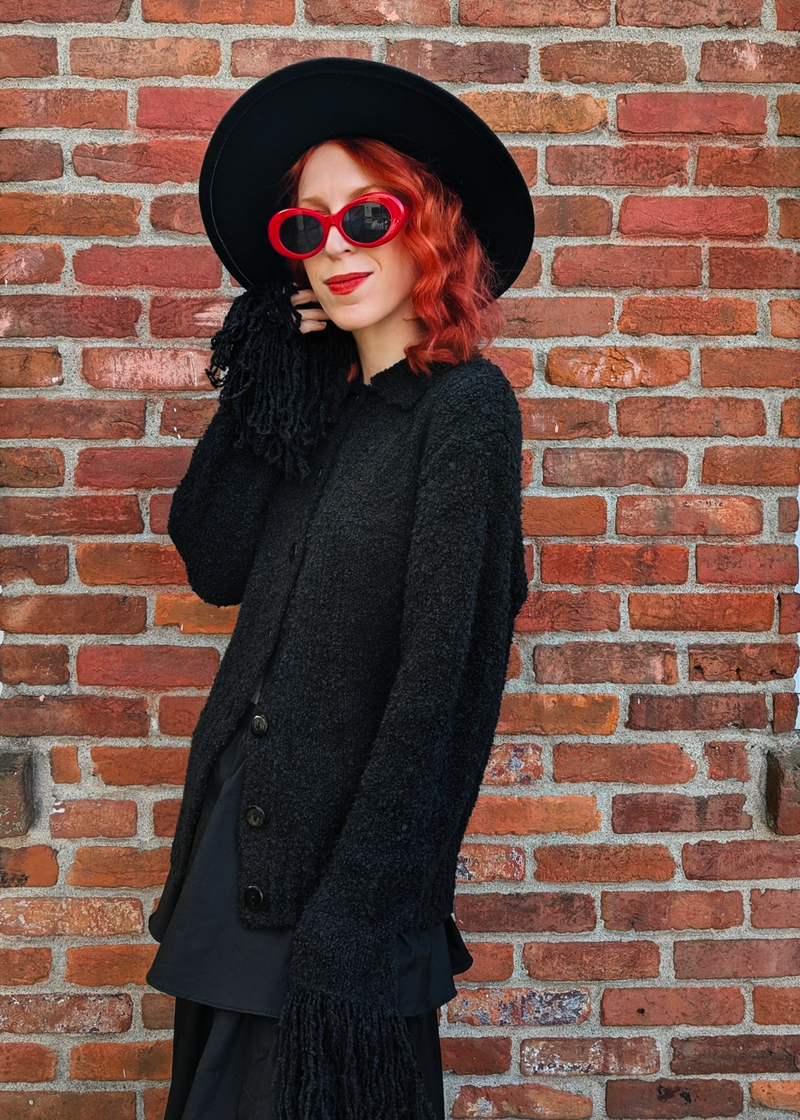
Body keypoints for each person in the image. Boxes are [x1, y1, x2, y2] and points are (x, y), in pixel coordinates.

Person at [147, 57, 534, 1120]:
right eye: (304, 230)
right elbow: (211, 557)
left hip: (339, 883)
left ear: (431, 224)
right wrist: (268, 376)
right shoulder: (315, 411)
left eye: (365, 215)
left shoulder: (464, 412)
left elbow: (443, 688)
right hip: (240, 843)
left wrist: (360, 910)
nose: (335, 249)